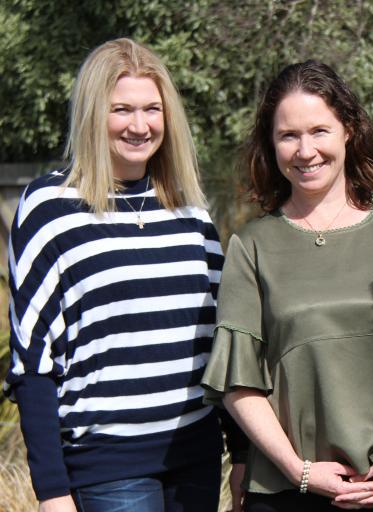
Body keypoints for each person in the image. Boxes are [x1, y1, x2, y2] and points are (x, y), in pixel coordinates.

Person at [4, 38, 246, 512]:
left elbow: (223, 341)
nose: (140, 125)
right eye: (122, 110)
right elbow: (31, 364)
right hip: (108, 466)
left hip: (194, 455)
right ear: (94, 114)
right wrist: (52, 492)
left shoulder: (189, 210)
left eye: (152, 109)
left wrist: (240, 454)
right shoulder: (49, 208)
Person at [201, 60, 373, 512]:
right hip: (288, 493)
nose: (305, 150)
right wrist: (301, 471)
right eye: (288, 136)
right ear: (271, 146)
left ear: (348, 130)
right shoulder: (252, 247)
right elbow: (239, 384)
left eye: (319, 131)